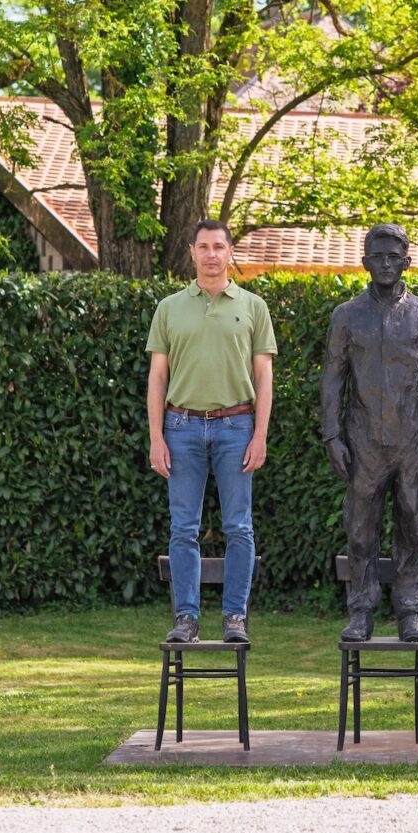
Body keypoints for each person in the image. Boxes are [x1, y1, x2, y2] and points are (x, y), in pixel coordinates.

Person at [321, 223, 418, 643]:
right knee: (360, 527)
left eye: (393, 257)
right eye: (377, 257)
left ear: (406, 263)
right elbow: (332, 379)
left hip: (413, 442)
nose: (384, 264)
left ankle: (409, 610)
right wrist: (332, 435)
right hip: (363, 441)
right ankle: (360, 610)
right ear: (364, 263)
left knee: (411, 525)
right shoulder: (346, 316)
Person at [146, 220, 277, 643]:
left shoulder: (253, 306)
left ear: (230, 252)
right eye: (203, 247)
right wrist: (156, 436)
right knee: (183, 527)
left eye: (219, 246)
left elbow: (264, 375)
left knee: (239, 527)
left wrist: (260, 434)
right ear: (192, 252)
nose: (211, 254)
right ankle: (186, 619)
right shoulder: (169, 307)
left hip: (237, 427)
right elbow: (157, 377)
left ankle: (235, 618)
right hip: (180, 427)